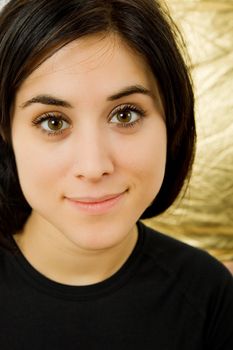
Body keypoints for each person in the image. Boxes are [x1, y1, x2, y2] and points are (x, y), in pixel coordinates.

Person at [0, 0, 232, 349]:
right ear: (5, 131)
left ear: (172, 120)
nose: (94, 167)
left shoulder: (210, 294)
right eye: (53, 122)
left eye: (125, 115)